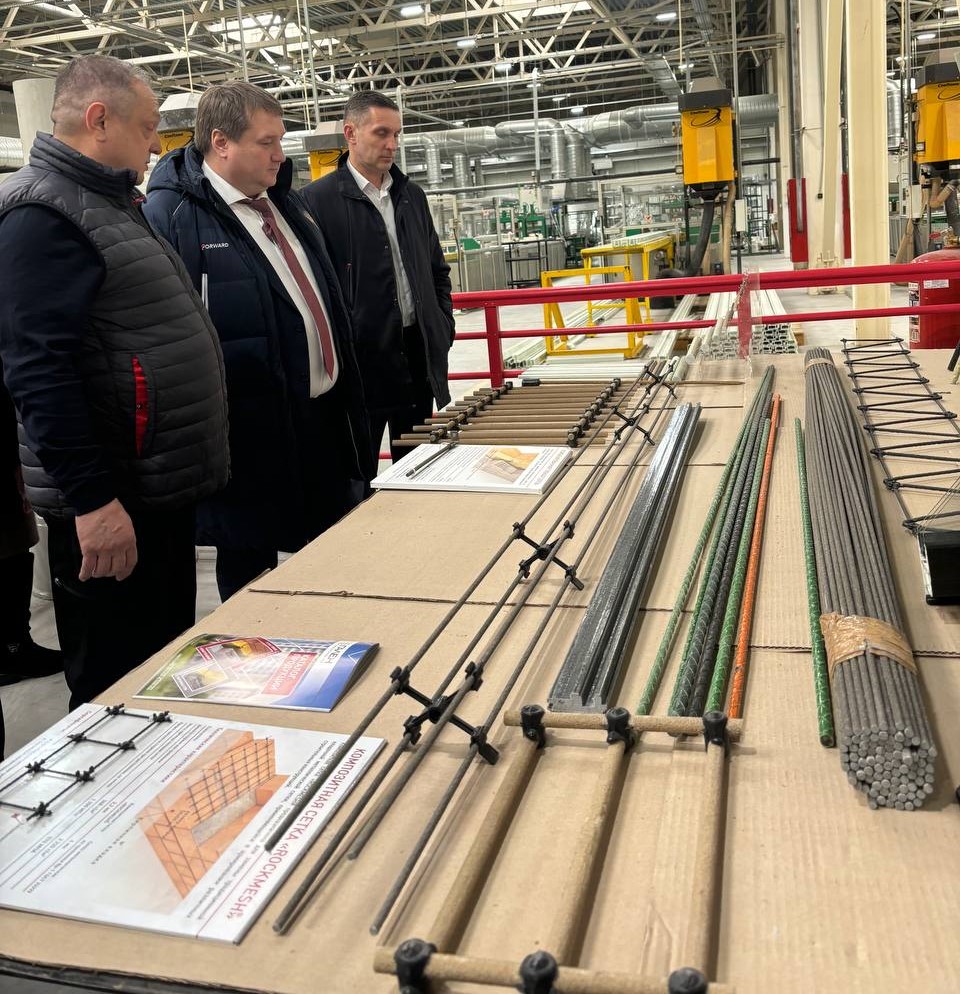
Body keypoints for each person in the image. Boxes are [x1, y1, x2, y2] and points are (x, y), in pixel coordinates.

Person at [0, 56, 230, 710]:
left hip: (150, 491)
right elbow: (39, 373)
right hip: (114, 500)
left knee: (158, 672)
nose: (157, 145)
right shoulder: (42, 214)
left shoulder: (107, 201)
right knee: (113, 690)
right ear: (99, 119)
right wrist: (94, 502)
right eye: (148, 126)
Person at [144, 82, 373, 602]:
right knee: (252, 580)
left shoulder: (287, 204)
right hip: (246, 440)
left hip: (322, 423)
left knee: (337, 562)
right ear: (221, 142)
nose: (280, 155)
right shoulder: (172, 218)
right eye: (267, 142)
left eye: (281, 140)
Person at [300, 91, 456, 466]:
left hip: (416, 356)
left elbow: (437, 270)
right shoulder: (315, 202)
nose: (392, 145)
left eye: (396, 134)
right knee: (358, 472)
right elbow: (313, 291)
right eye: (381, 133)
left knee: (416, 468)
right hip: (359, 365)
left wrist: (442, 326)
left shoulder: (411, 196)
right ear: (350, 133)